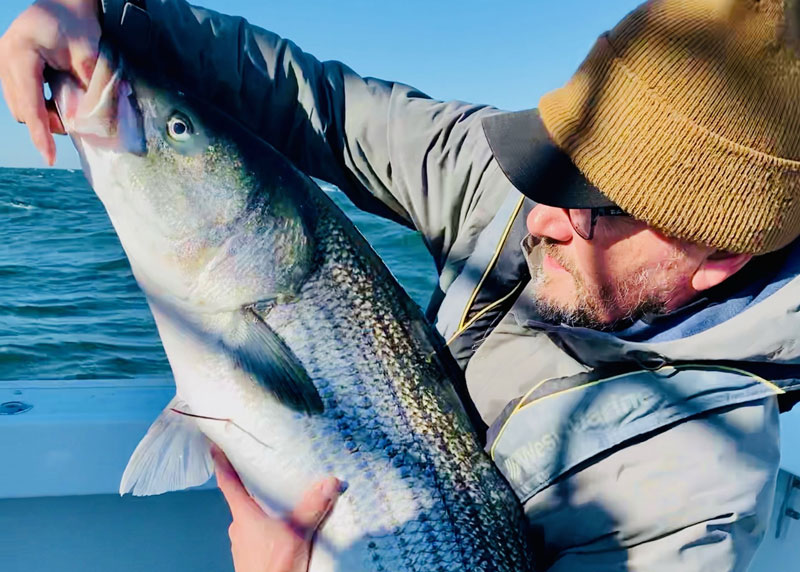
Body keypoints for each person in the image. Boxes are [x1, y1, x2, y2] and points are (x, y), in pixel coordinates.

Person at [4, 0, 800, 570]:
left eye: (594, 210)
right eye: (553, 164)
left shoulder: (701, 493)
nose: (543, 217)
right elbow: (315, 102)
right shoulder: (512, 188)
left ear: (715, 260)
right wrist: (109, 24)